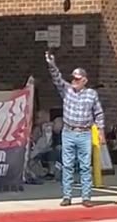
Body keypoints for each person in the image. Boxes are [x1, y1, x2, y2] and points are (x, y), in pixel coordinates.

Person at [45, 50, 105, 208]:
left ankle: (86, 196)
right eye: (73, 78)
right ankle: (67, 196)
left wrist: (100, 132)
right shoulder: (67, 90)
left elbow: (98, 113)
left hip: (84, 132)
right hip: (69, 131)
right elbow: (57, 78)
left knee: (85, 166)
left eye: (78, 78)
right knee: (67, 165)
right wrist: (52, 64)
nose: (74, 80)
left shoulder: (92, 94)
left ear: (84, 80)